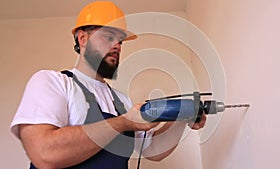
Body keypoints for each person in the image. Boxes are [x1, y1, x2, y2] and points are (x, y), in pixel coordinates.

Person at [10, 1, 206, 169]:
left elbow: (153, 149)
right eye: (108, 37)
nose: (117, 46)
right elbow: (44, 153)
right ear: (82, 38)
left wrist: (182, 116)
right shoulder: (52, 82)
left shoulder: (121, 101)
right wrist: (124, 122)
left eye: (120, 41)